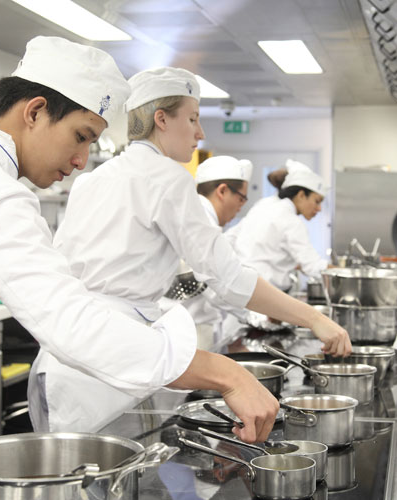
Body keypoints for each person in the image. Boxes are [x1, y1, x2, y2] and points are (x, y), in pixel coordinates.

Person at [0, 37, 240, 500]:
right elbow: (70, 321)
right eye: (81, 136)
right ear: (34, 111)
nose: (81, 162)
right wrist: (226, 375)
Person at [28, 67, 350, 438]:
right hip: (102, 374)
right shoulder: (167, 178)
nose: (200, 132)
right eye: (193, 119)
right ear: (161, 119)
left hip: (59, 367)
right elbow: (229, 279)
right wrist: (314, 319)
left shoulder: (93, 178)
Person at [180, 155, 253, 349]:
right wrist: (255, 314)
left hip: (194, 326)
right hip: (189, 332)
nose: (241, 206)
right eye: (241, 198)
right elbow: (221, 288)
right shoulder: (201, 222)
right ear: (222, 191)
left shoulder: (196, 214)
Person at [226, 160, 330, 292]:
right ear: (301, 195)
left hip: (243, 284)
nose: (319, 209)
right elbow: (313, 266)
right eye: (317, 201)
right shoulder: (291, 221)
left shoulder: (265, 204)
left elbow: (232, 236)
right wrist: (345, 272)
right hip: (265, 291)